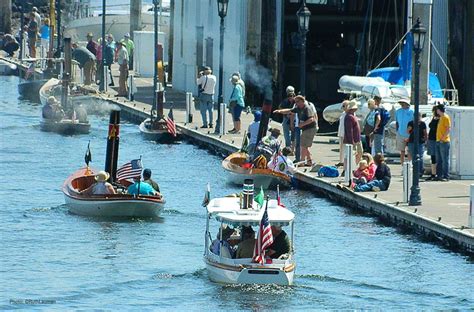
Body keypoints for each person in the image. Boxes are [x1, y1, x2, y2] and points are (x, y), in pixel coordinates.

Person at [274, 95, 317, 166]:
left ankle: (302, 162)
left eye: (297, 101)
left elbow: (312, 119)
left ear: (302, 101)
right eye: (295, 102)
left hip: (310, 128)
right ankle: (309, 161)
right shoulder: (298, 108)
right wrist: (279, 111)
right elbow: (289, 110)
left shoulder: (307, 108)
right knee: (304, 145)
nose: (296, 103)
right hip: (305, 129)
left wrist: (302, 124)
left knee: (303, 145)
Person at [343, 100, 363, 165]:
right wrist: (352, 142)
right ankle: (351, 168)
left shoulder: (351, 116)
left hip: (356, 139)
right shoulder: (349, 117)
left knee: (358, 153)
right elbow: (349, 131)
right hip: (354, 140)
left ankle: (355, 166)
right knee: (352, 155)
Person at [395, 99, 414, 163]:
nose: (402, 104)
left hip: (409, 134)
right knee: (402, 151)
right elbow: (397, 122)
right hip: (400, 133)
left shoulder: (412, 111)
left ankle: (409, 165)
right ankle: (402, 165)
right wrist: (397, 131)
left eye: (403, 103)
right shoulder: (398, 111)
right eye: (401, 103)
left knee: (409, 150)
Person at [435, 104, 451, 181]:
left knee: (444, 159)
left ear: (440, 110)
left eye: (437, 109)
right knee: (439, 160)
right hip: (438, 140)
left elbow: (448, 129)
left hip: (444, 141)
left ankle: (446, 176)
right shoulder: (441, 118)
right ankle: (439, 175)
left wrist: (442, 139)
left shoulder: (445, 117)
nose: (436, 111)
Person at [426, 105, 440, 181]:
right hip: (431, 138)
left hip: (436, 139)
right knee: (432, 156)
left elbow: (434, 126)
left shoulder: (440, 119)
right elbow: (430, 125)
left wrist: (435, 119)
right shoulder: (434, 118)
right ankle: (433, 173)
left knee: (436, 156)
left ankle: (436, 173)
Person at [336, 100, 349, 167]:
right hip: (341, 132)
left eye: (344, 105)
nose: (343, 107)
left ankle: (345, 162)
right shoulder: (343, 113)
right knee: (341, 148)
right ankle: (341, 161)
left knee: (345, 148)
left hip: (345, 133)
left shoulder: (349, 114)